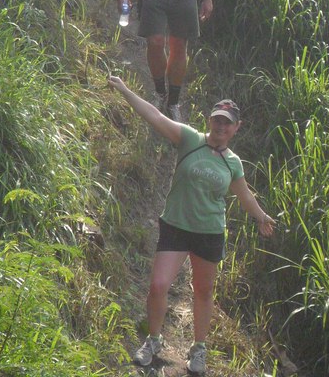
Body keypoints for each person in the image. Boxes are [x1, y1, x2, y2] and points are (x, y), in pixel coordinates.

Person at [108, 75, 276, 375]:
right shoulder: (189, 139)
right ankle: (154, 340)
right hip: (176, 226)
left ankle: (199, 349)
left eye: (227, 123)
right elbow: (155, 116)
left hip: (209, 233)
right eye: (217, 120)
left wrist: (261, 216)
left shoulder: (233, 163)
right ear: (210, 120)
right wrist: (125, 91)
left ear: (236, 128)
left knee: (203, 292)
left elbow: (245, 194)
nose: (221, 126)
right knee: (158, 285)